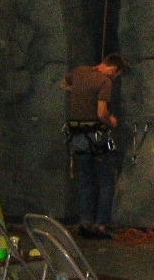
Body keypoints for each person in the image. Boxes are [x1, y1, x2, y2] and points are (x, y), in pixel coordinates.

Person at [61, 53, 126, 239]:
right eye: (116, 75)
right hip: (96, 135)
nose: (114, 78)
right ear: (113, 69)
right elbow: (101, 113)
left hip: (77, 136)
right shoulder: (105, 82)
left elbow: (63, 83)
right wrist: (112, 121)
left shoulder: (80, 71)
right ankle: (101, 225)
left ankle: (85, 222)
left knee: (85, 180)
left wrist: (80, 92)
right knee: (106, 180)